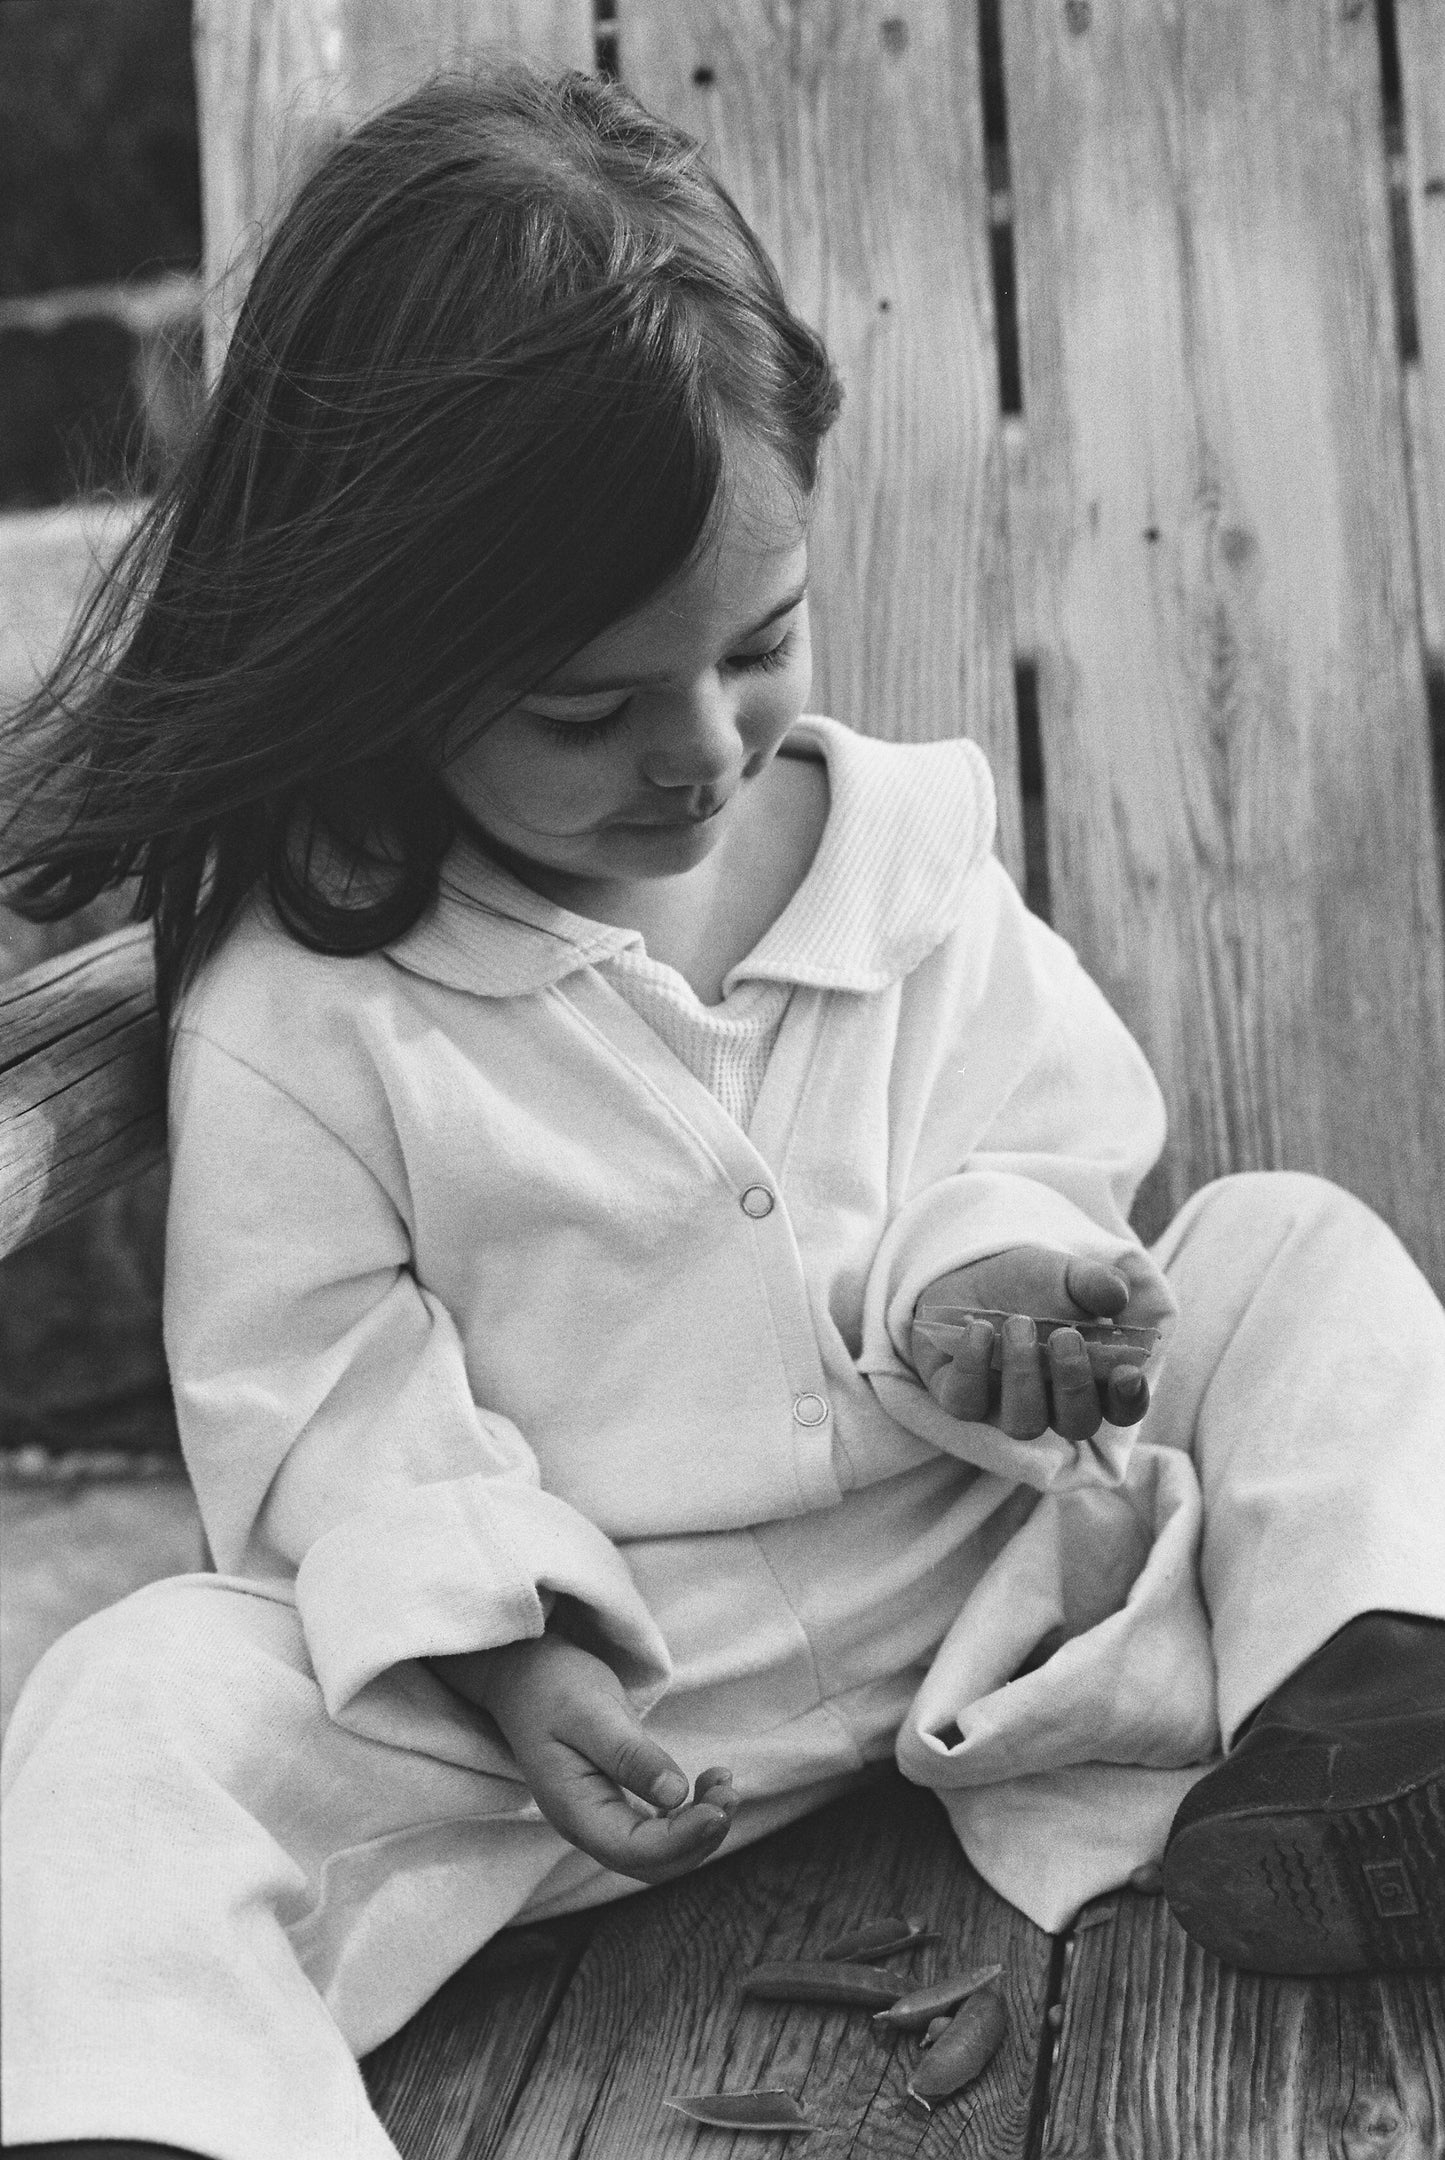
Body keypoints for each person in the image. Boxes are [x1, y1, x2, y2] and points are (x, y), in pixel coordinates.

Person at [2, 60, 1442, 2160]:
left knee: (1292, 1248)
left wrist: (1004, 1289)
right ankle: (166, 2113)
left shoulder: (905, 855)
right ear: (384, 656)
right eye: (589, 708)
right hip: (602, 1714)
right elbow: (314, 1382)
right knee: (136, 1702)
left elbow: (1038, 1149)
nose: (699, 753)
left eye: (758, 645)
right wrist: (507, 1658)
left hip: (990, 1558)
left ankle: (1372, 1714)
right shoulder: (316, 1010)